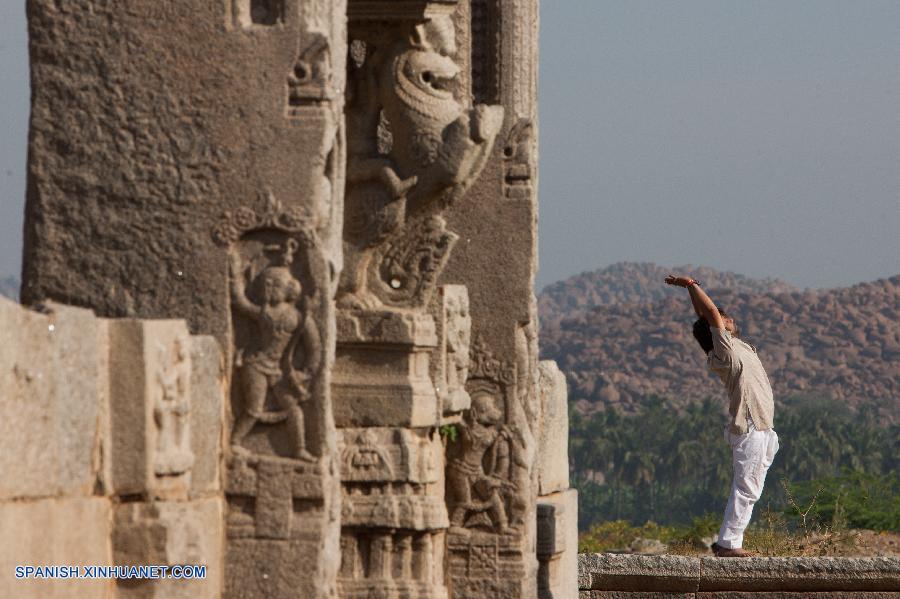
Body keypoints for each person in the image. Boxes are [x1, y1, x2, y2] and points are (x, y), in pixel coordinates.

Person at [665, 275, 779, 558]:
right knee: (746, 487)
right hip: (750, 424)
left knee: (752, 489)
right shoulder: (724, 351)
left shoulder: (737, 346)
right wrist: (691, 286)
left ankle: (728, 541)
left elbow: (706, 315)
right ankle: (728, 544)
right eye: (724, 318)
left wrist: (693, 294)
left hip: (763, 426)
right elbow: (710, 314)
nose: (728, 318)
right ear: (717, 330)